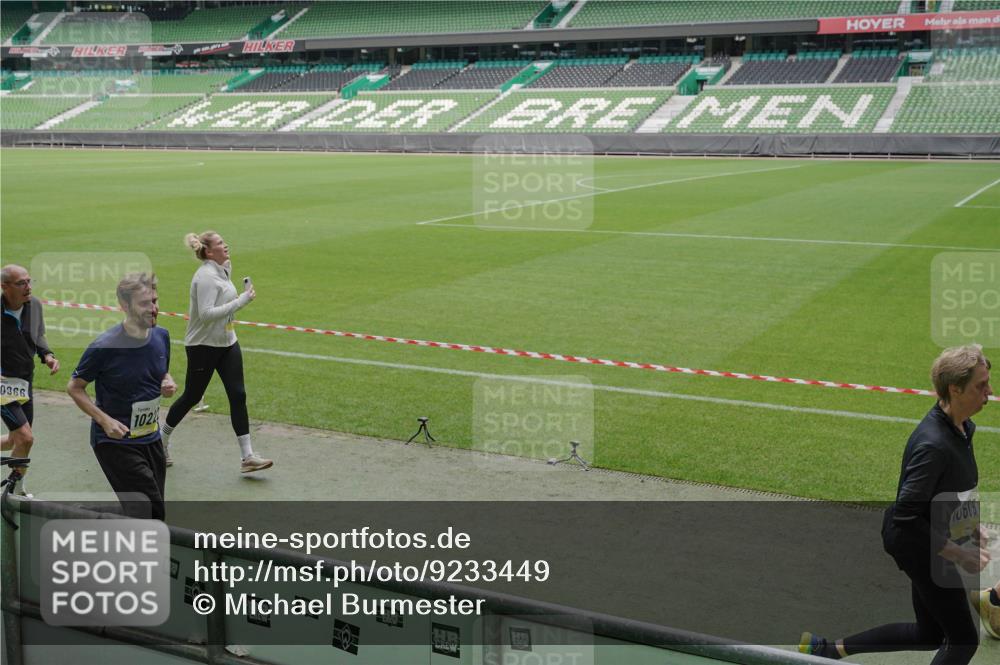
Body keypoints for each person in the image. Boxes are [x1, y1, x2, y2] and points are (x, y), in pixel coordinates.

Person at [800, 344, 992, 663]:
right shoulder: (934, 445)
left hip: (931, 537)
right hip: (918, 544)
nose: (989, 392)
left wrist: (971, 528)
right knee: (962, 640)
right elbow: (906, 516)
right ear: (955, 389)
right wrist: (959, 552)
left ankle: (827, 650)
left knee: (929, 634)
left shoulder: (962, 428)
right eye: (981, 385)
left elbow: (951, 490)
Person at [160, 231, 272, 474]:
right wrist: (241, 302)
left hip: (227, 342)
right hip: (203, 346)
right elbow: (206, 314)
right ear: (209, 252)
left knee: (238, 394)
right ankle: (161, 440)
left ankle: (247, 456)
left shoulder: (222, 269)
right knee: (191, 396)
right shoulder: (206, 277)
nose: (226, 245)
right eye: (221, 243)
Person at [67, 273, 176, 520]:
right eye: (145, 304)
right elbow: (74, 387)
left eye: (155, 301)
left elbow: (160, 369)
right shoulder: (105, 346)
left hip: (150, 436)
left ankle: (87, 516)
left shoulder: (162, 336)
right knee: (152, 511)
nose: (154, 309)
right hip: (115, 442)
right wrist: (104, 421)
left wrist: (166, 381)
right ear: (124, 306)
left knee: (150, 508)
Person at [1, 264, 59, 496]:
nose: (28, 287)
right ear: (5, 287)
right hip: (3, 385)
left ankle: (16, 486)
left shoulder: (33, 305)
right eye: (21, 283)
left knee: (17, 439)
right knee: (26, 437)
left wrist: (47, 355)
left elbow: (38, 336)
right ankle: (14, 491)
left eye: (29, 281)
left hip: (24, 381)